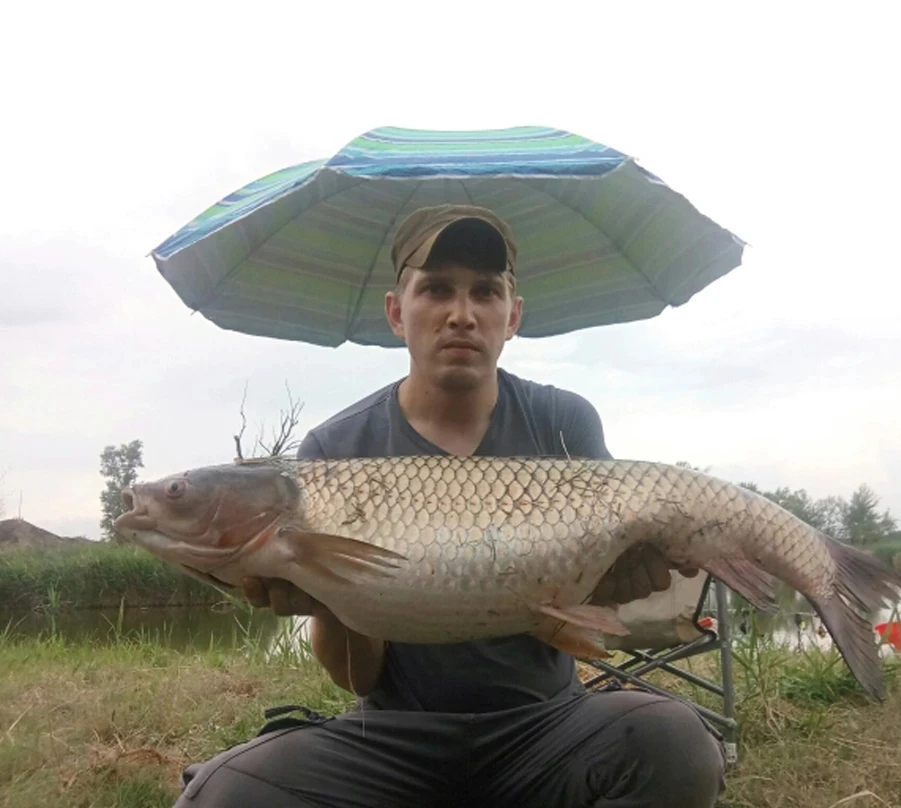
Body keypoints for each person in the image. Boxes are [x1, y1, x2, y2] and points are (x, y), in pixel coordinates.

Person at [175, 204, 726, 807]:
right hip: (394, 741)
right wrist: (330, 595)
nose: (461, 314)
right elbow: (356, 678)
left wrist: (618, 581)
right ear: (397, 312)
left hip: (545, 726)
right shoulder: (335, 450)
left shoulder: (562, 422)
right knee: (221, 795)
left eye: (485, 292)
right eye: (436, 289)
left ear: (512, 316)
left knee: (677, 743)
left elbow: (589, 606)